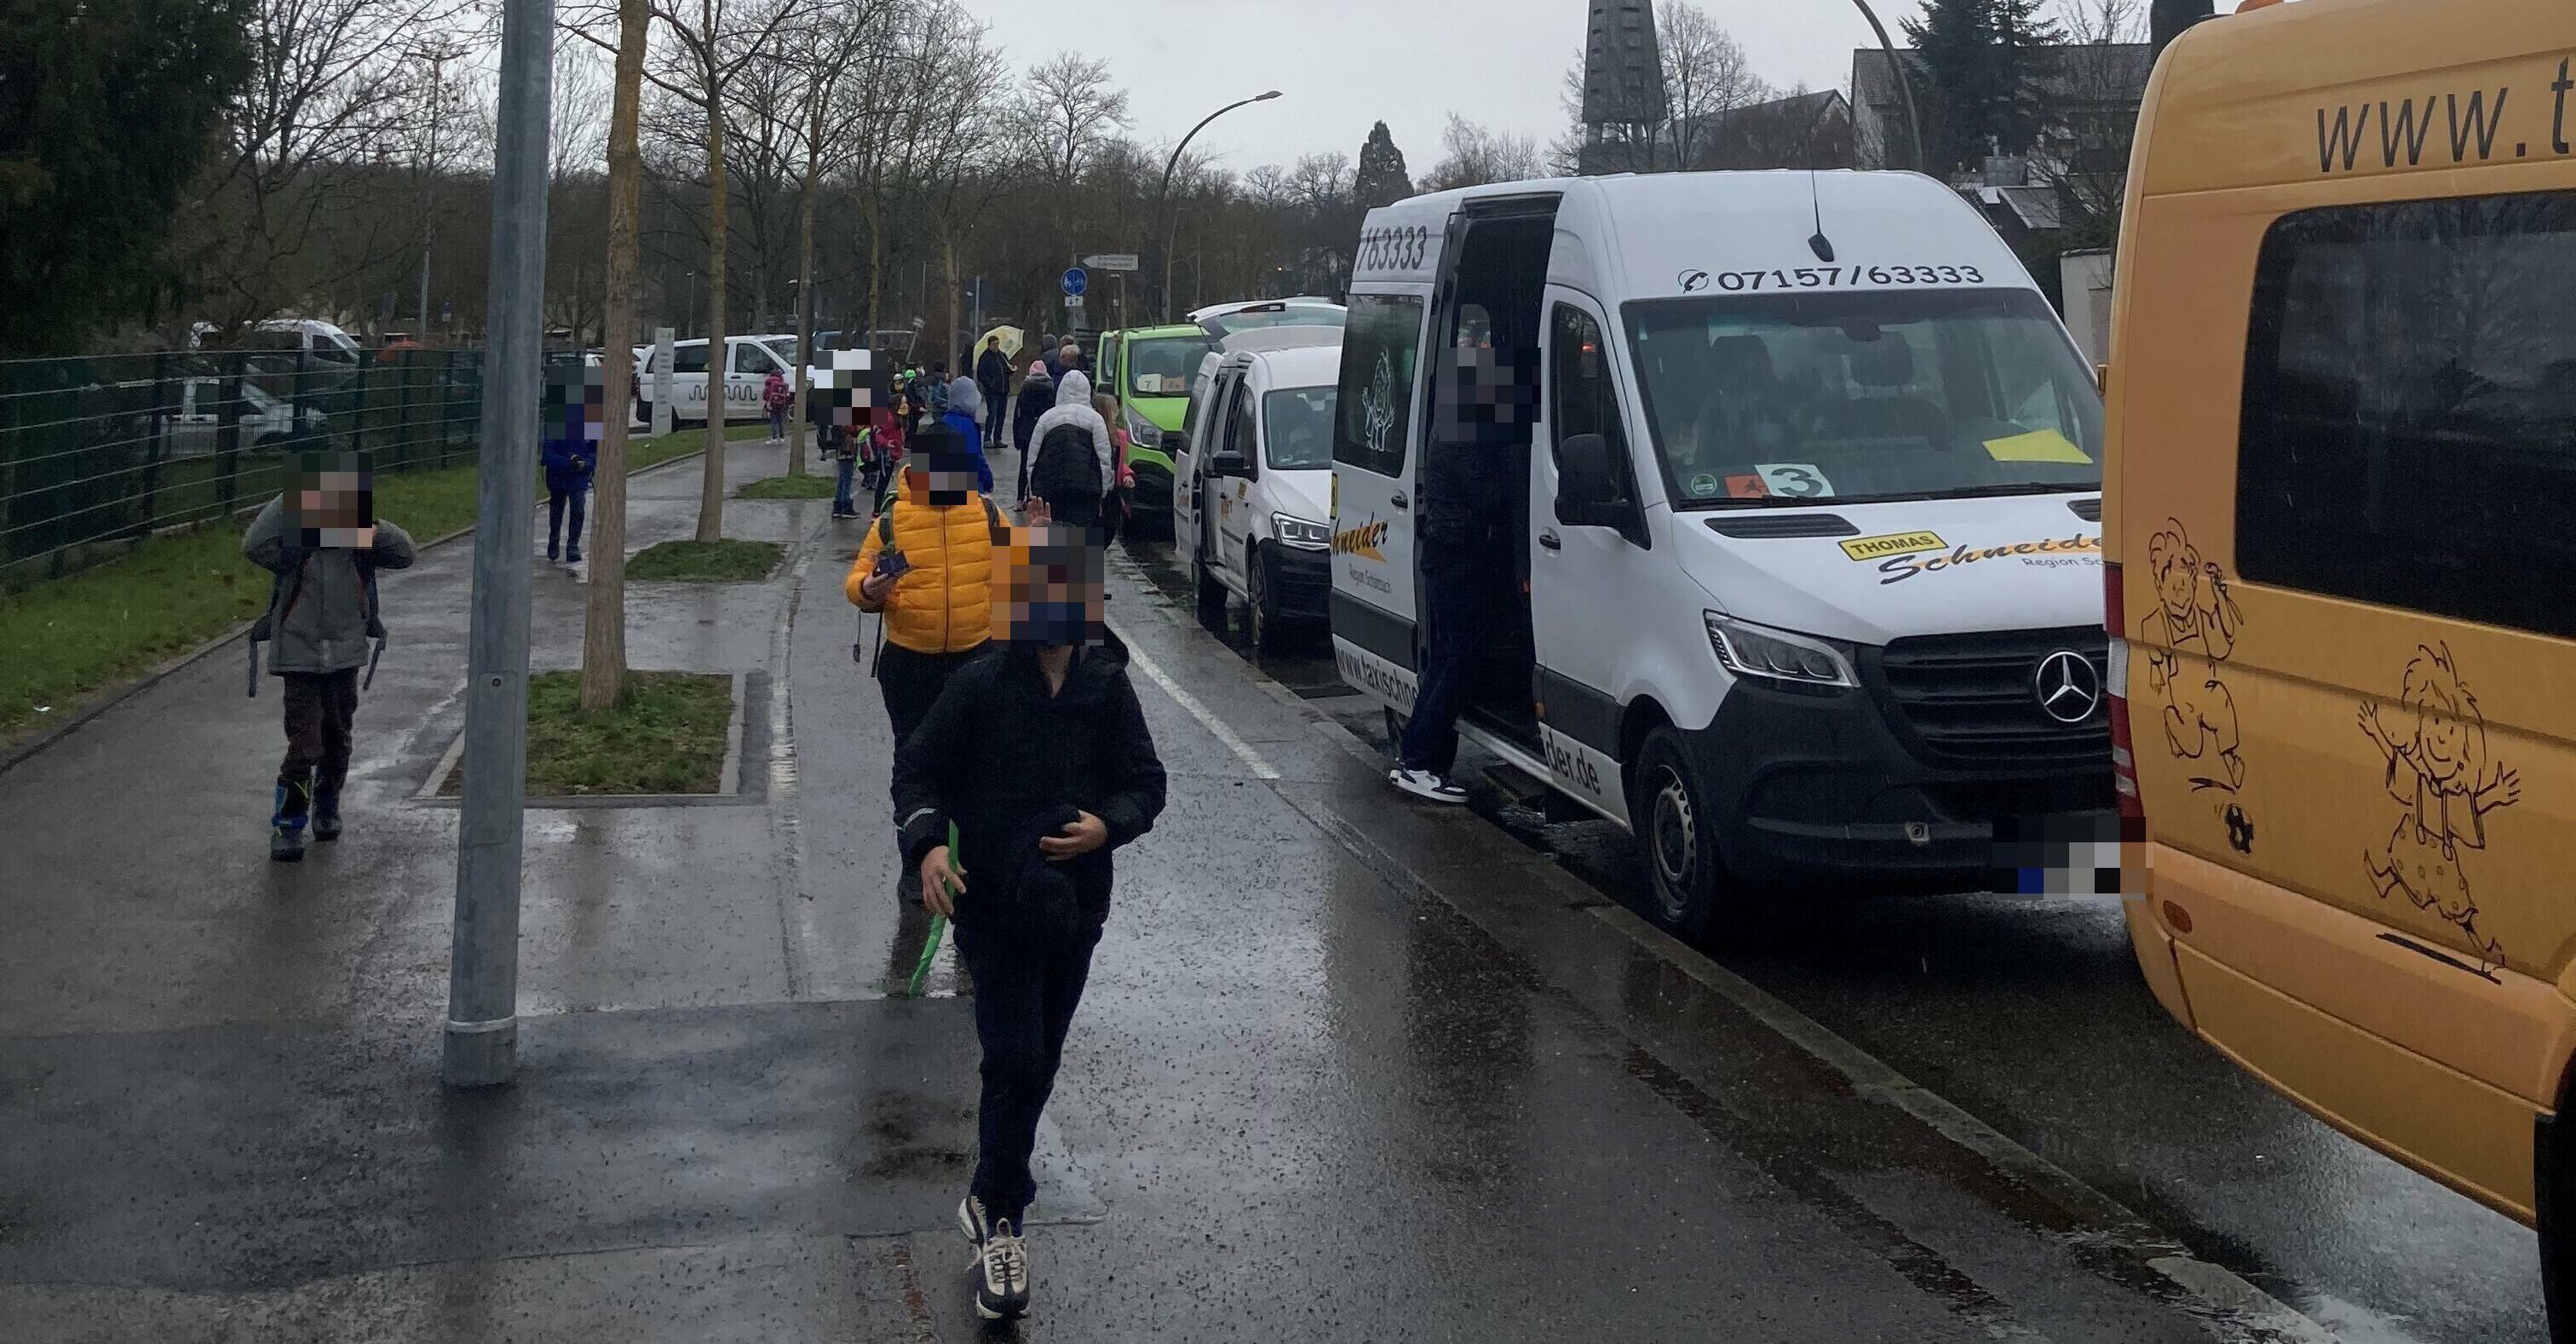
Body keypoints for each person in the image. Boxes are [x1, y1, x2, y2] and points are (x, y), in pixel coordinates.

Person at [891, 514, 1165, 1323]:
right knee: (1012, 1059)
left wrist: (1107, 826)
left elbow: (1147, 783)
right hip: (996, 908)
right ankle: (1002, 1217)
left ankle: (989, 1193)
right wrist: (929, 851)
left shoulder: (1106, 686)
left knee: (1039, 1061)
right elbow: (920, 770)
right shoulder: (980, 686)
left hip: (1075, 911)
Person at [242, 456, 418, 861]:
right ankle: (288, 824)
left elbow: (406, 553)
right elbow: (253, 544)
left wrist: (372, 527)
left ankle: (327, 803)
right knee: (304, 744)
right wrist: (291, 499)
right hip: (298, 655)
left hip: (344, 655)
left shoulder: (359, 545)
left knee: (338, 740)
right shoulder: (293, 546)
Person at [1389, 351, 1521, 804]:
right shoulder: (1461, 438)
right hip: (1456, 563)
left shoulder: (1452, 426)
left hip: (1450, 560)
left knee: (1447, 661)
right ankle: (1420, 760)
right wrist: (1510, 452)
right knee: (1458, 662)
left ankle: (1416, 757)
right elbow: (1493, 496)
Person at [1026, 370, 1114, 534]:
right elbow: (1104, 460)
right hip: (1085, 490)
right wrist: (1102, 493)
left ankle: (1053, 557)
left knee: (1051, 535)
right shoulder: (1095, 419)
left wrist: (1033, 492)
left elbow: (1032, 460)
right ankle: (1076, 558)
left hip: (1051, 488)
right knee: (1081, 536)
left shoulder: (1046, 418)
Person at [1090, 389, 1136, 548]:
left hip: (1112, 497)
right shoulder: (1092, 434)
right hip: (1096, 494)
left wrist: (1126, 475)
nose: (1118, 413)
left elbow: (1119, 463)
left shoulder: (1120, 437)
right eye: (1114, 409)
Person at [1010, 359, 1056, 505]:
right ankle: (1038, 498)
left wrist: (1017, 437)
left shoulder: (1025, 389)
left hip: (1026, 433)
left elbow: (1018, 415)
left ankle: (1020, 499)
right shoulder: (1050, 389)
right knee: (1041, 465)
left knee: (1024, 465)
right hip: (1044, 433)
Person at [942, 376, 997, 496]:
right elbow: (976, 460)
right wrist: (988, 483)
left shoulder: (940, 422)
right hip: (960, 491)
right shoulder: (968, 426)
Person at [975, 336, 1013, 443]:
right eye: (994, 344)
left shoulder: (1002, 356)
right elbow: (981, 374)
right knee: (992, 414)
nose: (996, 346)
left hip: (1003, 391)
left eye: (997, 343)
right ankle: (987, 438)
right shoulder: (985, 357)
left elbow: (1007, 369)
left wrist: (1011, 370)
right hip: (992, 392)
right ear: (989, 344)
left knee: (1001, 415)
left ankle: (998, 438)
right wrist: (990, 383)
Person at [763, 367, 793, 441]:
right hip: (781, 405)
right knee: (780, 420)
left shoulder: (769, 383)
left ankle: (774, 437)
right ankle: (782, 437)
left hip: (772, 404)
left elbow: (765, 394)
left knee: (774, 421)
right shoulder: (782, 384)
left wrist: (767, 400)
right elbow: (787, 395)